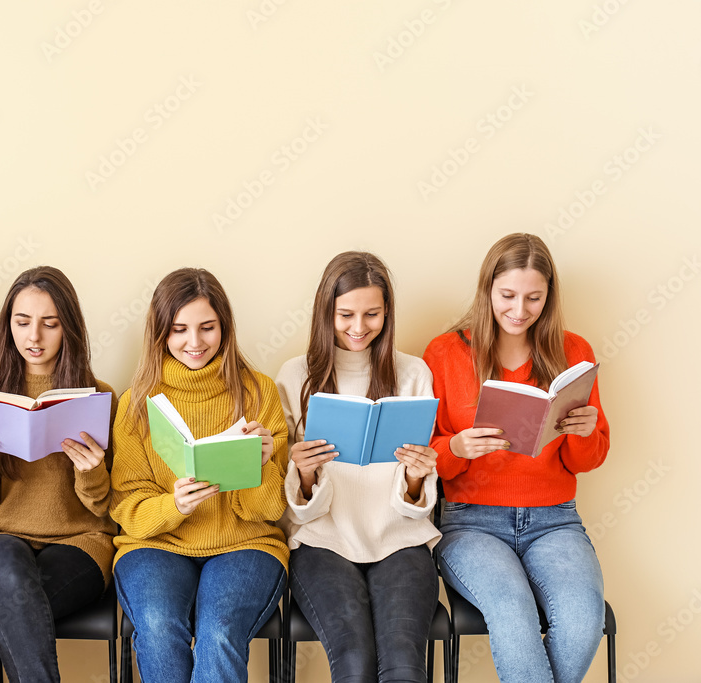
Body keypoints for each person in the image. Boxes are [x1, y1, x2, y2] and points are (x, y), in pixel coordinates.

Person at [423, 233, 609, 683]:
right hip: (471, 522)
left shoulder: (574, 353)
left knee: (585, 621)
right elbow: (421, 456)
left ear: (549, 298)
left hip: (555, 519)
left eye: (534, 298)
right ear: (488, 289)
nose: (519, 310)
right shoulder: (445, 353)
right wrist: (456, 447)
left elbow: (589, 457)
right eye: (507, 295)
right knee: (513, 614)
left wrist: (585, 431)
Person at [109, 267, 289, 683]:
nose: (195, 342)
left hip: (247, 542)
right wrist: (173, 505)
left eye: (207, 327)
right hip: (155, 543)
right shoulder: (136, 403)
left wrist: (259, 465)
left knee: (220, 632)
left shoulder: (260, 392)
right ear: (160, 333)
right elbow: (127, 507)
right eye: (179, 330)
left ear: (225, 328)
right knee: (156, 626)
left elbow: (272, 509)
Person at [275, 251, 441, 683]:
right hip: (323, 542)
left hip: (400, 540)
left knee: (404, 666)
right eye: (344, 314)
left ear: (387, 313)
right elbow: (295, 510)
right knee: (354, 663)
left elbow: (414, 506)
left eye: (372, 314)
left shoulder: (413, 374)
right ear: (325, 312)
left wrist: (417, 477)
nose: (358, 327)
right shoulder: (295, 377)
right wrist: (305, 473)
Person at [0, 267, 118, 682]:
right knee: (11, 574)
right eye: (22, 322)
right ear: (7, 326)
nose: (34, 337)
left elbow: (106, 507)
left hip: (80, 541)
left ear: (69, 329)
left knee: (16, 601)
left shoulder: (99, 396)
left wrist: (92, 472)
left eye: (50, 324)